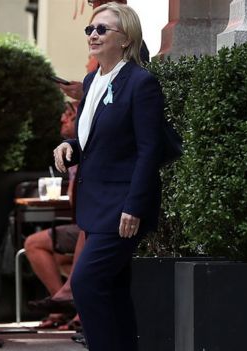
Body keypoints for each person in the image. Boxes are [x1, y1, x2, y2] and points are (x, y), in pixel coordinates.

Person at [53, 2, 164, 350]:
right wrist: (70, 145)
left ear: (126, 38)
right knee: (113, 289)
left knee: (86, 284)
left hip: (122, 209)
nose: (93, 35)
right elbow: (98, 136)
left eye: (102, 29)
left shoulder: (140, 82)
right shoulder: (92, 80)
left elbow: (149, 149)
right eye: (90, 29)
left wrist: (135, 205)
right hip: (95, 205)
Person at [24, 101, 81, 329]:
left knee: (83, 237)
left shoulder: (89, 148)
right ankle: (62, 305)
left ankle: (77, 310)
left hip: (95, 224)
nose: (62, 119)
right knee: (37, 247)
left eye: (68, 114)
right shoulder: (70, 154)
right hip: (82, 223)